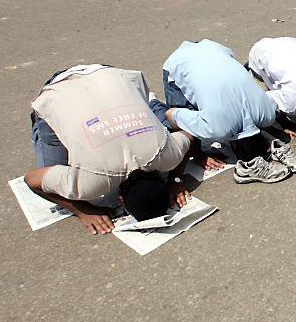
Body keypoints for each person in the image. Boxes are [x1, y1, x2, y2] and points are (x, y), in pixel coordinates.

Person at [24, 65, 195, 234]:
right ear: (120, 200)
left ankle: (148, 103)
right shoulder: (87, 184)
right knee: (49, 172)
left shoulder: (168, 156)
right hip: (57, 88)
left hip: (110, 75)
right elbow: (31, 180)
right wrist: (82, 210)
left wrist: (175, 179)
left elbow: (189, 135)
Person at [161, 39, 296, 184]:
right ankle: (152, 103)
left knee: (202, 112)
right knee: (177, 122)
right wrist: (197, 153)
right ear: (232, 145)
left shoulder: (267, 116)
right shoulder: (217, 130)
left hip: (214, 48)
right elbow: (170, 113)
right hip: (176, 65)